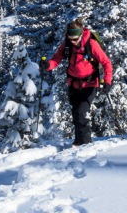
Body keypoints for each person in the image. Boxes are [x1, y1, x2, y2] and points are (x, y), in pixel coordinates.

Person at [41, 18, 112, 146]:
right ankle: (78, 142)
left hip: (90, 84)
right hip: (73, 84)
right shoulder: (67, 44)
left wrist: (107, 81)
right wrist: (47, 65)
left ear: (80, 35)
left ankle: (85, 144)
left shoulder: (91, 44)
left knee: (81, 113)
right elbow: (56, 59)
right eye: (70, 38)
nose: (73, 42)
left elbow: (106, 62)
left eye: (75, 39)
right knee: (75, 113)